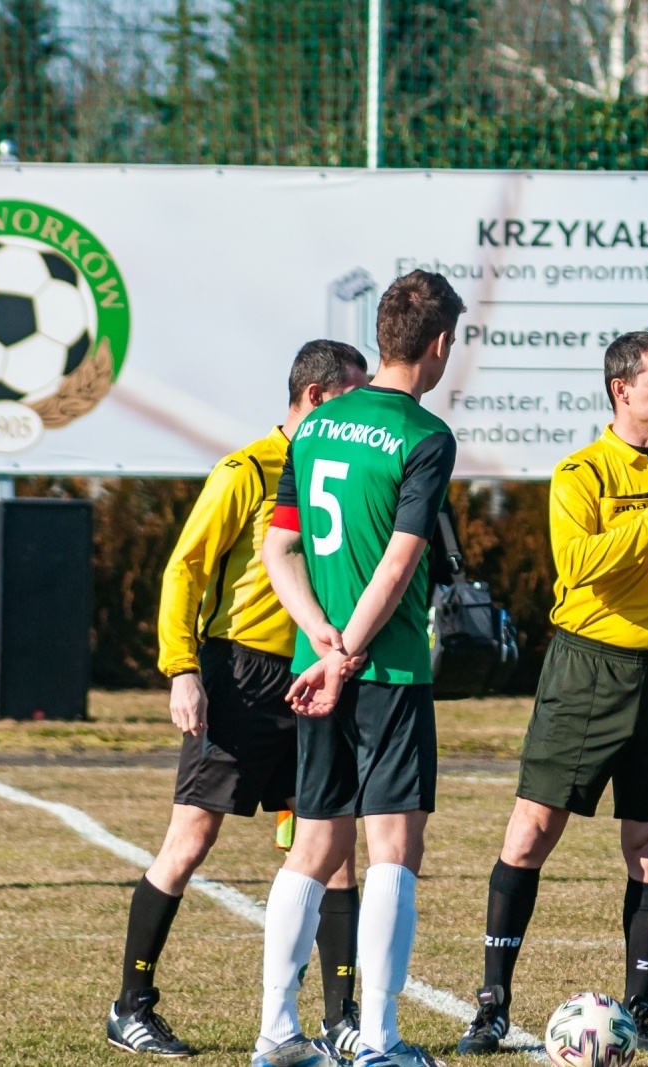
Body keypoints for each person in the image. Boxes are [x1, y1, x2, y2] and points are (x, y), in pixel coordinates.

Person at [455, 331, 648, 1057]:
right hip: (586, 670)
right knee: (532, 831)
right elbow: (579, 568)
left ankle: (639, 1009)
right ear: (622, 390)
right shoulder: (581, 472)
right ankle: (490, 1004)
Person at [108, 340, 369, 1059]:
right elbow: (183, 569)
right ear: (316, 399)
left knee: (333, 845)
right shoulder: (246, 469)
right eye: (355, 395)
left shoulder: (344, 473)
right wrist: (181, 668)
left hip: (314, 673)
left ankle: (341, 1017)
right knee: (191, 838)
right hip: (240, 675)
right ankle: (131, 1004)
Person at [258, 270, 464, 1067]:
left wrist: (321, 641)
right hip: (388, 672)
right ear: (439, 344)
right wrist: (350, 656)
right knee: (393, 851)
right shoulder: (423, 435)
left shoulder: (313, 426)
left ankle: (277, 1031)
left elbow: (280, 548)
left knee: (311, 848)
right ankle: (378, 1039)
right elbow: (400, 562)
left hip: (319, 667)